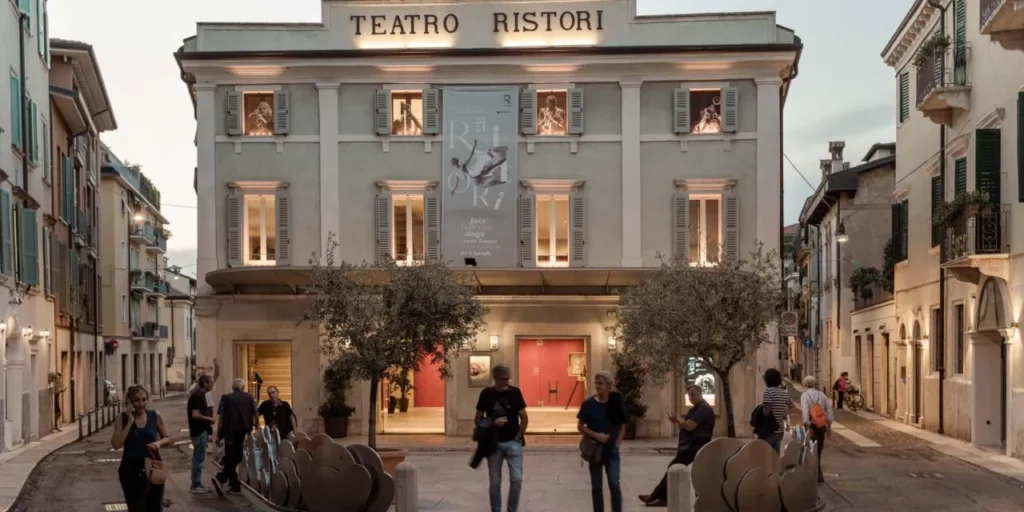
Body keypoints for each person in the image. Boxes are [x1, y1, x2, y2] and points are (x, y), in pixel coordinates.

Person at [638, 385, 715, 507]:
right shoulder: (696, 409)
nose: (691, 398)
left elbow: (689, 425)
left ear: (700, 394)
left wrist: (677, 420)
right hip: (690, 446)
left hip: (695, 447)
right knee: (677, 468)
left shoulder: (703, 409)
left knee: (674, 467)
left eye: (693, 395)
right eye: (689, 395)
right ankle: (662, 497)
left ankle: (657, 495)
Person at [475, 364, 528, 512]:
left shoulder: (515, 393)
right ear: (496, 378)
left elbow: (524, 417)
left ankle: (512, 509)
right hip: (494, 445)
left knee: (516, 480)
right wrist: (493, 421)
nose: (507, 382)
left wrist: (518, 437)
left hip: (513, 442)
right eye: (504, 379)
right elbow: (478, 419)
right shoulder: (486, 394)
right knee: (495, 482)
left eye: (508, 378)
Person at [111, 385, 171, 511]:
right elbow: (116, 445)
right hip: (130, 470)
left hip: (153, 468)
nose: (141, 403)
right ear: (129, 402)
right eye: (137, 400)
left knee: (154, 507)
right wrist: (130, 422)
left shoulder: (155, 415)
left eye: (144, 399)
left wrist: (158, 443)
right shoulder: (121, 418)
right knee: (136, 508)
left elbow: (167, 438)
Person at [577, 371, 626, 512]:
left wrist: (617, 445)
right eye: (596, 383)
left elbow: (623, 426)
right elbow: (580, 426)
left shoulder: (616, 402)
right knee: (596, 487)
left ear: (609, 386)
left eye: (601, 383)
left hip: (611, 451)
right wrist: (596, 435)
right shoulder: (588, 404)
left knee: (614, 484)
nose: (597, 386)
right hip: (595, 451)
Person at [212, 378, 257, 496]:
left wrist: (218, 435)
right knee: (236, 457)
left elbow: (221, 418)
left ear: (233, 387)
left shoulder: (225, 398)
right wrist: (256, 426)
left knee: (231, 456)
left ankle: (222, 478)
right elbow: (255, 413)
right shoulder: (250, 397)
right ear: (243, 387)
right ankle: (234, 485)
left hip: (229, 433)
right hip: (244, 433)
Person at [801, 375, 834, 483]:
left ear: (805, 384)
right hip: (821, 426)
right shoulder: (822, 395)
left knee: (811, 450)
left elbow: (805, 413)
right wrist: (829, 424)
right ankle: (818, 474)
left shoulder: (805, 396)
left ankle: (814, 475)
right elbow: (829, 411)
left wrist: (807, 424)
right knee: (818, 450)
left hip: (812, 426)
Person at [187, 374, 216, 494]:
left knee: (199, 458)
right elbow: (195, 414)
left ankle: (196, 483)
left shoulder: (202, 395)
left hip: (200, 430)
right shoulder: (198, 396)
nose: (212, 384)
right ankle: (196, 484)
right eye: (210, 382)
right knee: (198, 458)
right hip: (198, 431)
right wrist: (209, 419)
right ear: (204, 383)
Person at [761, 368, 791, 452]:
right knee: (776, 453)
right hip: (780, 429)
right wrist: (784, 414)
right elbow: (793, 407)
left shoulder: (768, 392)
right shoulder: (783, 393)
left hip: (769, 429)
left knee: (766, 454)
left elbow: (766, 412)